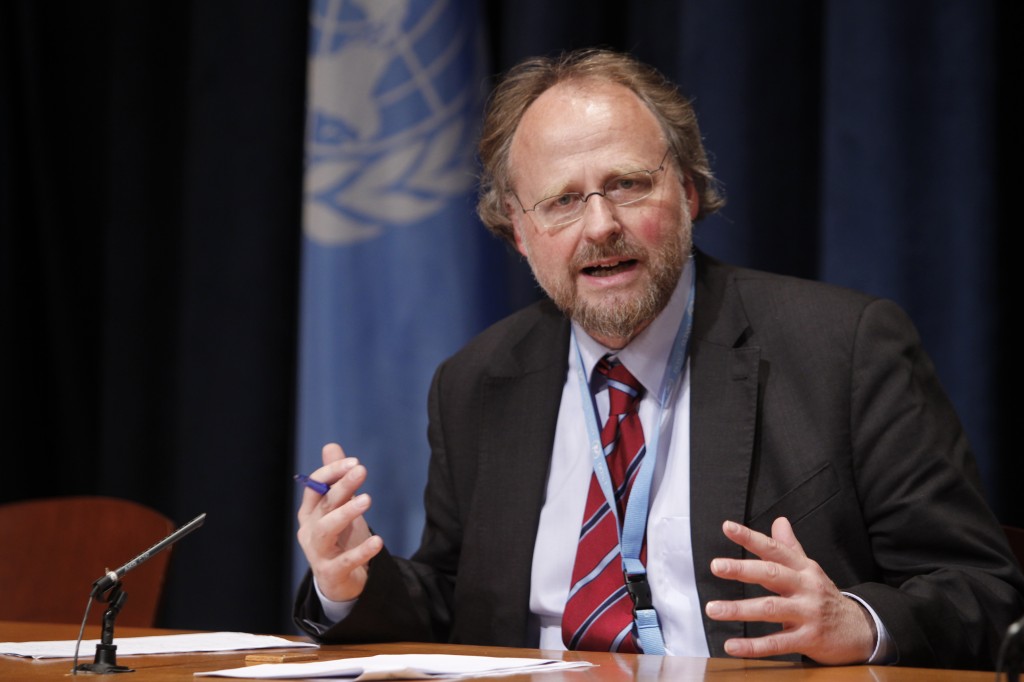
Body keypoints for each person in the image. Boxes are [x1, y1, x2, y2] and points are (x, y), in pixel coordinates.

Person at [293, 48, 1024, 670]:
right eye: (562, 201)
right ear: (517, 231)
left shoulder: (843, 348)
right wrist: (350, 582)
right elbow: (459, 603)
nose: (601, 225)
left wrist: (858, 623)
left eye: (628, 185)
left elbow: (981, 590)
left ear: (691, 191)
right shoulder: (477, 381)